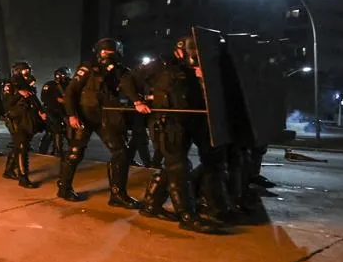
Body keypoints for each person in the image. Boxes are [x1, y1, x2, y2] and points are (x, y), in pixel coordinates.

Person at [135, 38, 223, 233]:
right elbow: (131, 79)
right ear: (180, 51)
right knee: (179, 168)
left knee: (174, 168)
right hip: (167, 123)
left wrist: (203, 78)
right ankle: (188, 216)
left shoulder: (196, 68)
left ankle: (151, 205)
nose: (194, 59)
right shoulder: (160, 64)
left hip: (189, 122)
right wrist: (137, 101)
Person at [59, 38, 146, 208]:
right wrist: (72, 115)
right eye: (107, 52)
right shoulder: (88, 68)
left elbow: (128, 86)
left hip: (105, 116)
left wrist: (137, 101)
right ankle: (64, 187)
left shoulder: (120, 71)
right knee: (75, 153)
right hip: (85, 115)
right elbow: (71, 92)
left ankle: (118, 194)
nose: (109, 56)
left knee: (121, 152)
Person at [2, 61, 45, 188]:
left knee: (19, 146)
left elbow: (34, 99)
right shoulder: (10, 85)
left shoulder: (28, 85)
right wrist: (18, 94)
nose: (27, 73)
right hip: (15, 119)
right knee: (22, 147)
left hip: (28, 119)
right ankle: (23, 177)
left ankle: (8, 170)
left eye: (28, 70)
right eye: (24, 70)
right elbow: (6, 103)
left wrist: (41, 112)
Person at [38, 67, 70, 158]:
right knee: (55, 130)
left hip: (63, 111)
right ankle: (56, 151)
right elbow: (44, 98)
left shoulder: (69, 84)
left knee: (62, 130)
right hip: (51, 111)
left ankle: (55, 150)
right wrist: (57, 100)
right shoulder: (50, 85)